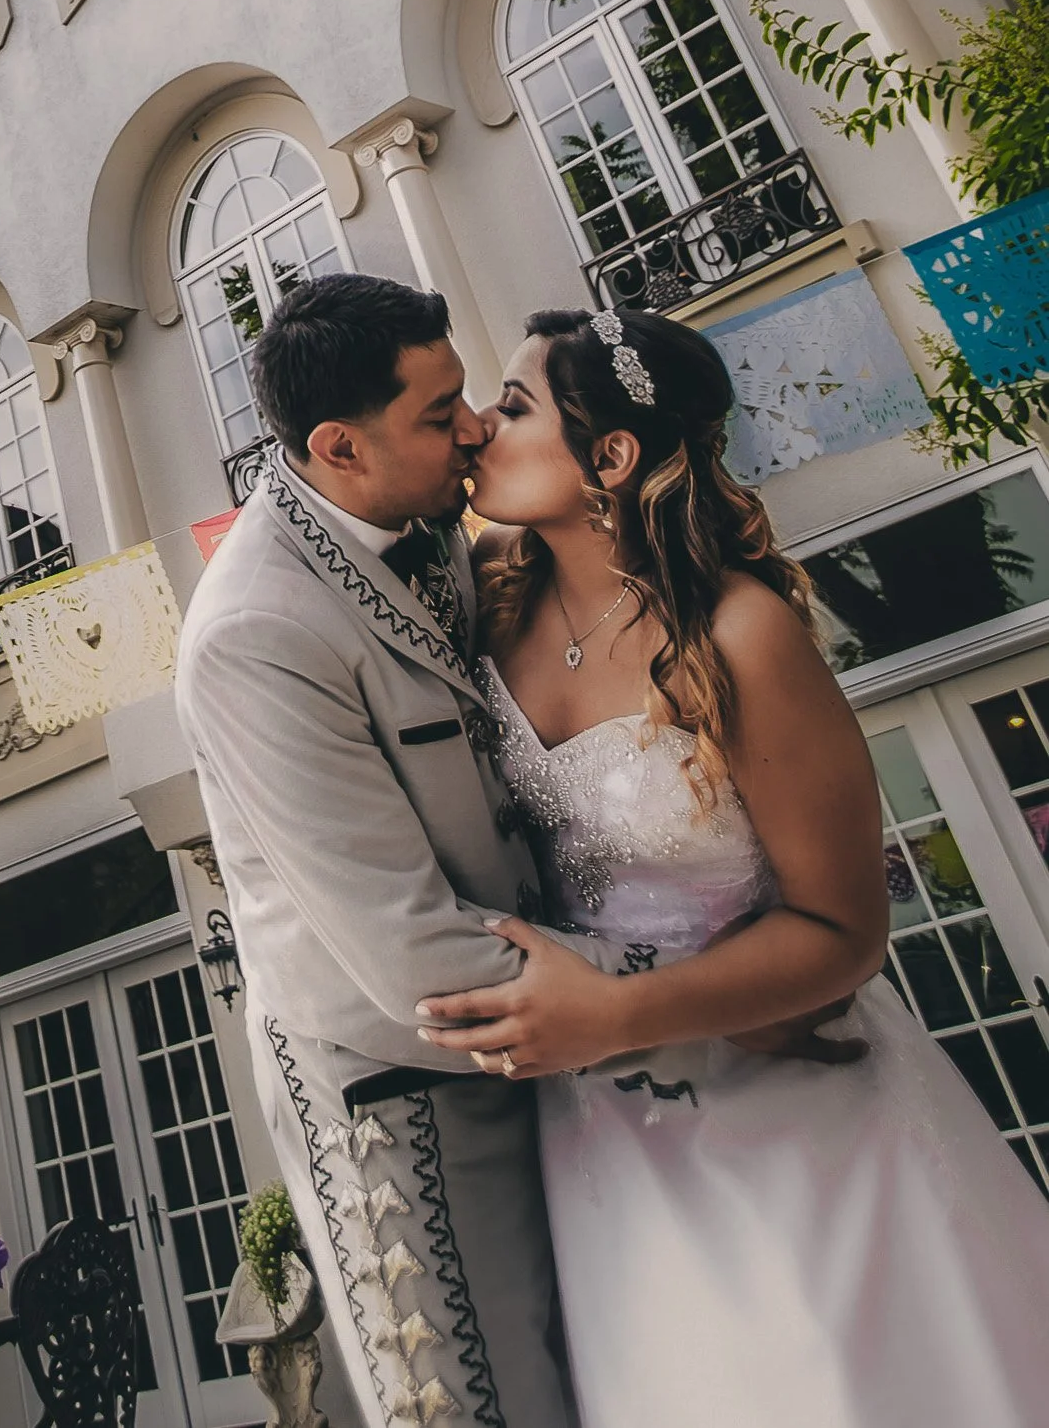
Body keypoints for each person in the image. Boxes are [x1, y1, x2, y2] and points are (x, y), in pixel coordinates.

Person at [416, 302, 1049, 1428]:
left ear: (607, 454)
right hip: (603, 1147)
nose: (475, 429)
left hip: (790, 1122)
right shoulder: (485, 606)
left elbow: (843, 931)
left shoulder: (741, 635)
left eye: (511, 408)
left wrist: (617, 1015)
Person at [176, 274, 624, 1428]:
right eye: (440, 414)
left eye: (469, 397)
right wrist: (680, 980)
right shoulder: (253, 633)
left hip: (556, 1047)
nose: (474, 426)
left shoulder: (428, 523)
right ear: (338, 446)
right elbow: (412, 950)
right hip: (405, 1096)